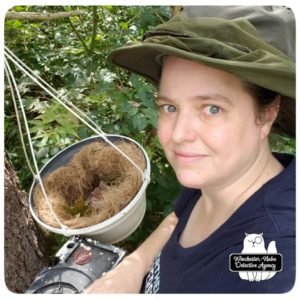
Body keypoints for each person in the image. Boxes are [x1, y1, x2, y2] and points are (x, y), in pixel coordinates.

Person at [85, 6, 295, 293]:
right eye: (169, 107)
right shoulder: (215, 178)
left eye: (212, 108)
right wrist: (133, 266)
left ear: (267, 114)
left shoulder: (274, 266)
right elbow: (176, 219)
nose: (178, 135)